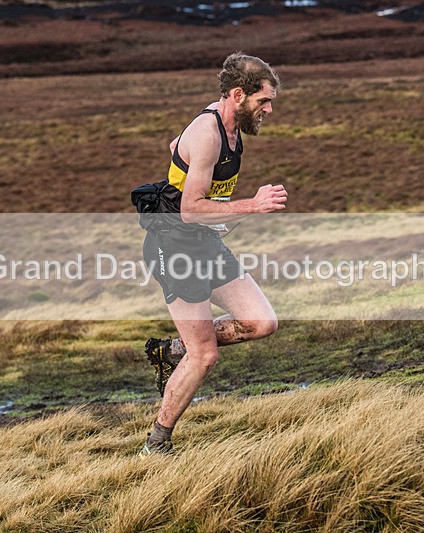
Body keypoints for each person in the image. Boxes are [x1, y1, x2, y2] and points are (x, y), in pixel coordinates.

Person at [139, 52, 287, 456]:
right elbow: (189, 208)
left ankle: (171, 350)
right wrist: (251, 206)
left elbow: (175, 146)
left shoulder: (229, 126)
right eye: (264, 101)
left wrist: (193, 185)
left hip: (203, 241)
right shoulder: (208, 132)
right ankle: (157, 444)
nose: (269, 109)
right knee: (204, 355)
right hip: (173, 246)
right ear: (239, 94)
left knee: (261, 322)